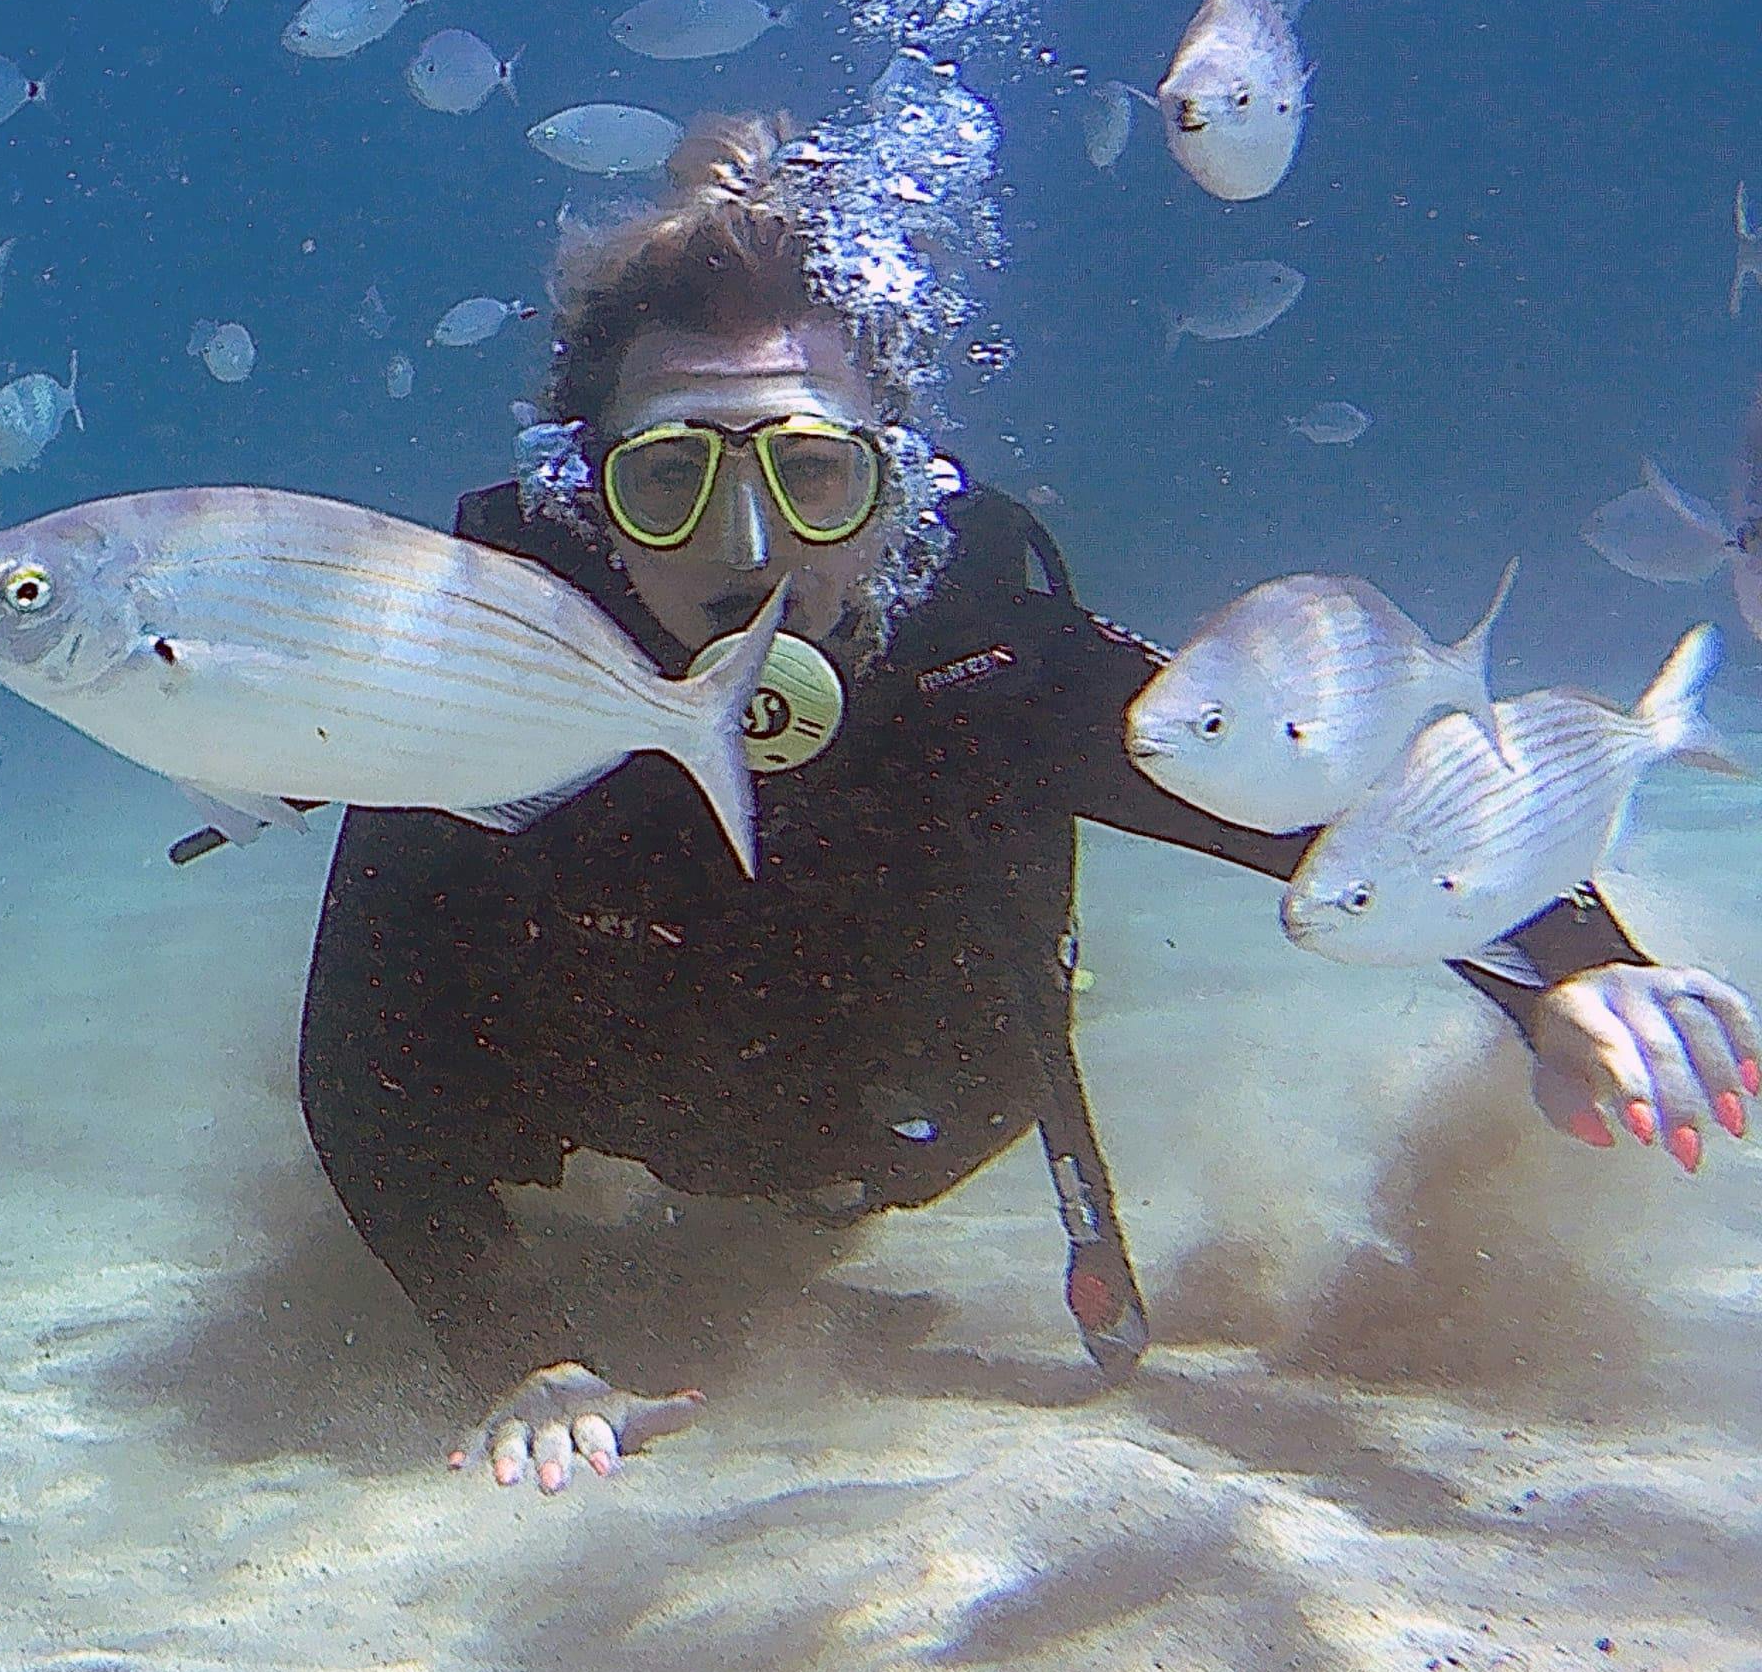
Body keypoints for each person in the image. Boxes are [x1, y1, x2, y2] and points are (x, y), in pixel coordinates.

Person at [296, 118, 1758, 1495]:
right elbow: (360, 1073)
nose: (750, 554)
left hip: (906, 1132)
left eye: (812, 472)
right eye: (671, 479)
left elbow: (1339, 804)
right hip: (604, 1118)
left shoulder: (986, 653)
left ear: (899, 485)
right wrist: (524, 1354)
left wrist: (1572, 974)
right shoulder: (475, 692)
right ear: (583, 492)